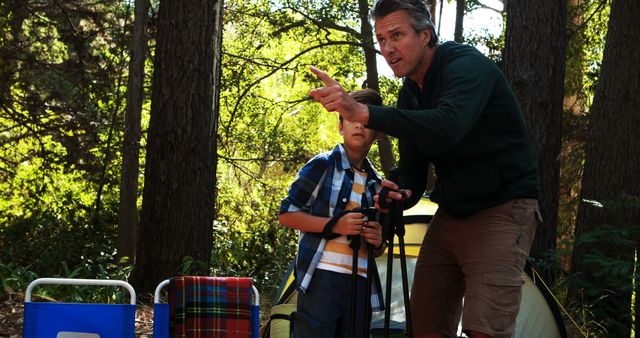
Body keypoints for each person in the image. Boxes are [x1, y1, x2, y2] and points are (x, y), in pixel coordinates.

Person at [308, 0, 541, 337]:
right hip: (451, 213)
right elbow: (413, 175)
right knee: (425, 324)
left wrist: (362, 112)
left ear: (426, 35)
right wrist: (399, 190)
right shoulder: (410, 94)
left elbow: (448, 125)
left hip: (503, 209)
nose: (387, 49)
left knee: (485, 328)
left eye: (397, 35)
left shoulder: (464, 66)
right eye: (381, 39)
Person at [279, 88, 388, 338]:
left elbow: (379, 248)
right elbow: (286, 214)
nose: (358, 127)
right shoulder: (323, 165)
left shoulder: (378, 185)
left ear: (378, 133)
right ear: (340, 126)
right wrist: (336, 226)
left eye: (366, 122)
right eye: (351, 119)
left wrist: (378, 240)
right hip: (321, 278)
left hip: (361, 282)